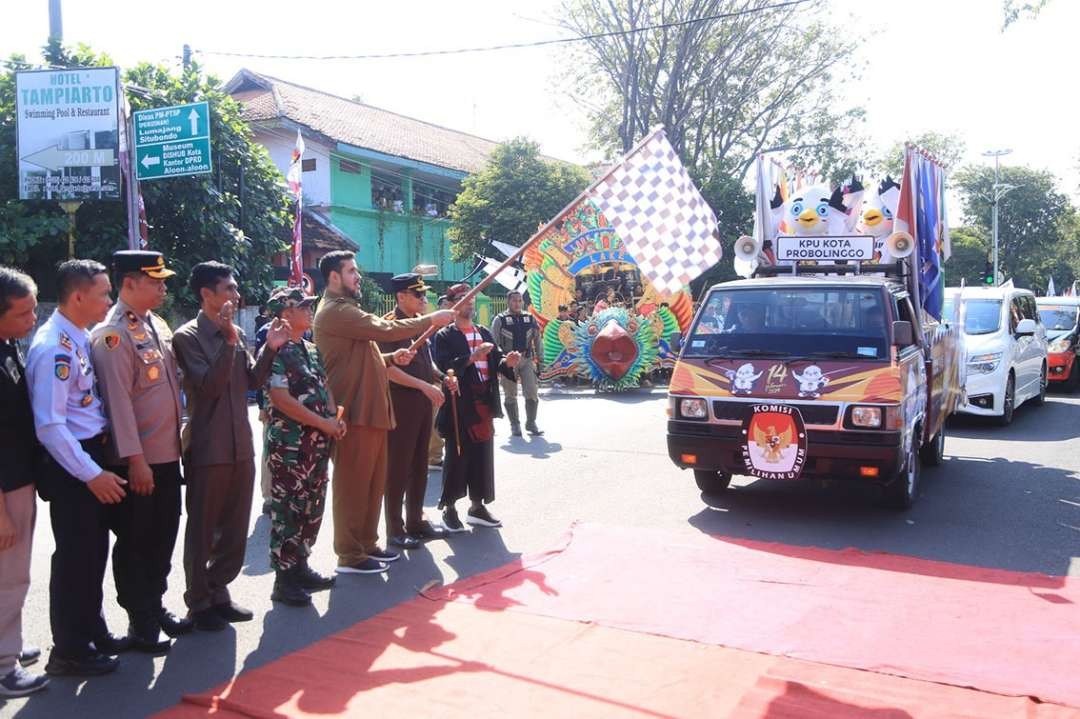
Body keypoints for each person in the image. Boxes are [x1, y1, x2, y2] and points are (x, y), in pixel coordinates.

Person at [312, 251, 455, 575]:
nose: (358, 277)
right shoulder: (335, 311)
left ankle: (366, 544)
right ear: (334, 276)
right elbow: (382, 330)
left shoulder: (347, 310)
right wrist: (430, 320)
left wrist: (392, 359)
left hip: (372, 409)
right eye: (351, 271)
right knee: (353, 486)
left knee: (372, 483)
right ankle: (349, 554)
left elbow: (369, 351)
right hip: (353, 411)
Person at [28, 260, 130, 677]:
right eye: (105, 293)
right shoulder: (54, 347)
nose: (109, 300)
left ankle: (91, 629)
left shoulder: (78, 336)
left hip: (89, 454)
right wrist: (91, 474)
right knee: (76, 556)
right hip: (74, 464)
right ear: (78, 297)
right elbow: (50, 425)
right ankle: (69, 648)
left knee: (92, 552)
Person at [173, 262, 286, 631]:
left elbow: (251, 380)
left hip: (240, 445)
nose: (236, 297)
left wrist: (270, 349)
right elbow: (209, 387)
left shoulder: (234, 331)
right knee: (203, 529)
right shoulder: (188, 336)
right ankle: (199, 600)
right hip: (208, 447)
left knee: (235, 529)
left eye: (236, 290)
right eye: (228, 290)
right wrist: (228, 342)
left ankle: (218, 589)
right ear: (206, 294)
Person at [89, 251, 189, 655]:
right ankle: (139, 617)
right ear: (130, 283)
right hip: (139, 460)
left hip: (166, 455)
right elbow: (118, 404)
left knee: (164, 532)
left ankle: (154, 602)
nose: (164, 287)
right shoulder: (113, 334)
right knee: (136, 540)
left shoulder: (155, 324)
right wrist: (134, 461)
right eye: (156, 281)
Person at [263, 287, 344, 607]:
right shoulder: (277, 351)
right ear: (285, 313)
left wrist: (335, 418)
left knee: (312, 507)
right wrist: (322, 423)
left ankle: (300, 565)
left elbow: (324, 387)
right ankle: (283, 580)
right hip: (290, 446)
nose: (310, 310)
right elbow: (281, 399)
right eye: (303, 306)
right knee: (289, 511)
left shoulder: (311, 349)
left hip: (317, 446)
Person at [434, 284, 522, 531]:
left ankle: (477, 506)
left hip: (484, 401)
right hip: (459, 404)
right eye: (463, 298)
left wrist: (508, 362)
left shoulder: (483, 332)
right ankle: (450, 508)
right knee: (457, 456)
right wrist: (471, 358)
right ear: (453, 304)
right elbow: (443, 367)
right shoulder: (445, 335)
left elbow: (497, 360)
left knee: (483, 455)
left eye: (471, 298)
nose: (469, 302)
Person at [0, 267, 49, 697]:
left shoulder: (8, 345)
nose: (32, 319)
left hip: (20, 477)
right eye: (22, 313)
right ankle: (3, 667)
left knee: (13, 574)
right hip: (5, 487)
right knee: (9, 576)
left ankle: (8, 646)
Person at [380, 274, 453, 550]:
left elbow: (426, 361)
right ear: (401, 297)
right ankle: (394, 529)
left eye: (424, 295)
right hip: (402, 403)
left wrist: (441, 378)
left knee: (419, 465)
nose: (424, 300)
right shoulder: (390, 326)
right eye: (418, 295)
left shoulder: (419, 326)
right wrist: (424, 385)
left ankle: (415, 521)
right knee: (398, 467)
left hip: (423, 403)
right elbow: (389, 370)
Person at [490, 290, 543, 437]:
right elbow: (494, 343)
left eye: (520, 301)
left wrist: (541, 361)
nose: (517, 303)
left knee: (532, 392)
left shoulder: (530, 318)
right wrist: (500, 363)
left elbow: (538, 340)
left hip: (526, 360)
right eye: (514, 301)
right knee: (510, 394)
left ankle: (531, 423)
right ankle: (515, 424)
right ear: (508, 302)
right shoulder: (500, 319)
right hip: (508, 361)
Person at [428, 294, 453, 469]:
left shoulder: (455, 328)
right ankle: (435, 457)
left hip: (450, 377)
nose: (447, 307)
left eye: (449, 304)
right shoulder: (432, 328)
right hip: (436, 377)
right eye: (444, 304)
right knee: (436, 417)